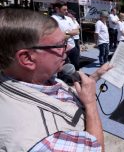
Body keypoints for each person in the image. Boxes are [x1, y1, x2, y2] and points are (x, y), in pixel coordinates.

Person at [0, 8, 111, 151]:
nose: (69, 48)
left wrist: (93, 78)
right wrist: (90, 104)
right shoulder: (44, 141)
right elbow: (96, 149)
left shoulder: (37, 78)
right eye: (60, 45)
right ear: (27, 58)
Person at [51, 2, 80, 70]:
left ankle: (76, 79)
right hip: (61, 49)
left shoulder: (68, 18)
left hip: (72, 46)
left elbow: (77, 31)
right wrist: (71, 33)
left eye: (67, 9)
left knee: (76, 66)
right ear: (57, 9)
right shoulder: (52, 20)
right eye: (64, 9)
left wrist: (65, 33)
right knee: (64, 68)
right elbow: (58, 37)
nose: (66, 11)